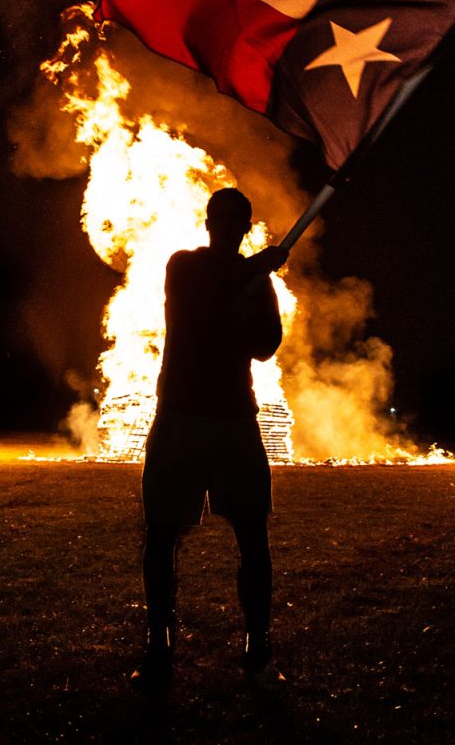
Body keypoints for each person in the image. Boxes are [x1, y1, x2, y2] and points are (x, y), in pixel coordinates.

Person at [131, 187, 288, 691]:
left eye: (235, 219)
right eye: (221, 217)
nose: (227, 225)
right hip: (181, 414)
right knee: (160, 534)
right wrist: (256, 270)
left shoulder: (257, 282)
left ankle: (257, 640)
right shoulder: (184, 265)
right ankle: (160, 643)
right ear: (208, 222)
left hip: (235, 417)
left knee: (252, 535)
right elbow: (199, 301)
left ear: (243, 227)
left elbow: (266, 347)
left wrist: (251, 308)